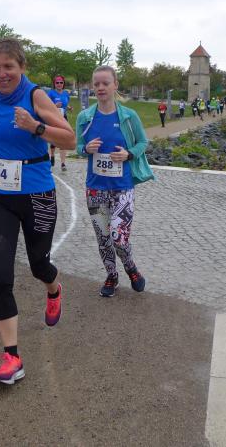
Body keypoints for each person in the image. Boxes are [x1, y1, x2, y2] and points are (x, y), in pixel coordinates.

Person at [0, 39, 76, 385]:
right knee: (1, 276)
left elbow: (70, 140)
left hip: (37, 194)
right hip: (0, 198)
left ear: (22, 68)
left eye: (9, 66)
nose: (2, 73)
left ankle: (54, 289)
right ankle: (11, 357)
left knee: (38, 265)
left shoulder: (36, 96)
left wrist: (35, 126)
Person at [75, 65, 154, 298]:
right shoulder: (85, 117)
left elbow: (143, 143)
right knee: (103, 238)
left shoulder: (129, 116)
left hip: (122, 188)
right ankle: (111, 275)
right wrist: (86, 149)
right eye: (96, 84)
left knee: (118, 236)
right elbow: (78, 147)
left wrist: (128, 154)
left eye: (105, 83)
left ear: (115, 85)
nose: (100, 88)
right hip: (95, 189)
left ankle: (131, 267)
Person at [47, 75, 72, 172]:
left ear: (63, 84)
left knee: (63, 139)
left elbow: (66, 104)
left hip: (63, 118)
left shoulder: (66, 94)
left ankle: (63, 163)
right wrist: (54, 105)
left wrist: (69, 108)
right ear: (54, 84)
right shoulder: (51, 93)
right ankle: (52, 156)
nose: (59, 84)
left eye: (61, 82)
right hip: (54, 118)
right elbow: (46, 106)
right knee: (54, 139)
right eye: (57, 82)